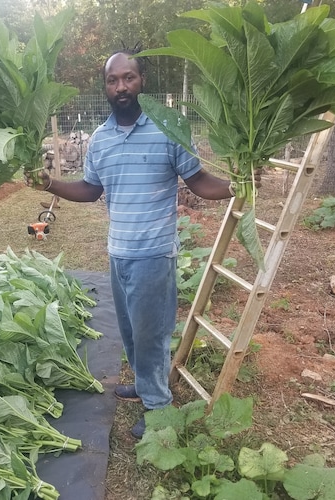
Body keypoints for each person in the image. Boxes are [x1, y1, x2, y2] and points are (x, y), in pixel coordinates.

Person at [25, 49, 235, 439]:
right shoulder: (101, 140)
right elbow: (91, 190)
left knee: (151, 334)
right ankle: (143, 386)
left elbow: (200, 182)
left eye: (128, 78)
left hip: (154, 253)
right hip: (118, 252)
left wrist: (237, 188)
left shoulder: (168, 129)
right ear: (105, 87)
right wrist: (49, 184)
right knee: (130, 330)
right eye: (112, 80)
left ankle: (159, 410)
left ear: (142, 82)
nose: (121, 86)